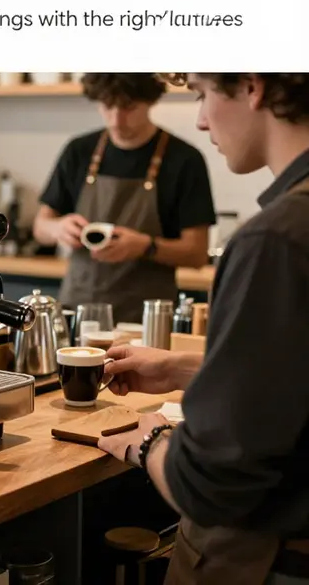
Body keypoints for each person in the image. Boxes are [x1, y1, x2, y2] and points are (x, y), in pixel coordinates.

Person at [98, 74, 309, 584]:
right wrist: (187, 368)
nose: (199, 116)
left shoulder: (276, 240)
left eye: (200, 92)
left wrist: (152, 443)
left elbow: (212, 486)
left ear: (253, 87)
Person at [33, 73, 216, 324]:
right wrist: (58, 228)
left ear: (151, 101)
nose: (117, 120)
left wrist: (145, 246)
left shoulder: (184, 160)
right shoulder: (79, 151)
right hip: (76, 313)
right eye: (108, 106)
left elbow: (196, 253)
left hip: (146, 322)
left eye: (129, 107)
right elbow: (40, 227)